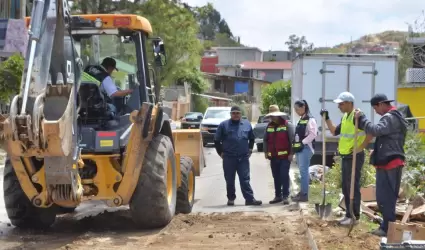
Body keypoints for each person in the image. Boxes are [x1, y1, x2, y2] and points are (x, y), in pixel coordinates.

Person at [354, 94, 408, 237]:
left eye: (375, 108)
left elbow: (376, 130)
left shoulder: (390, 117)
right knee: (383, 197)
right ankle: (386, 226)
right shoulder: (392, 118)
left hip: (391, 162)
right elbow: (387, 138)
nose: (376, 112)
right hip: (387, 162)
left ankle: (388, 230)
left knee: (387, 197)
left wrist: (363, 119)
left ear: (381, 104)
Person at [320, 92, 373, 226]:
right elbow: (333, 131)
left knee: (352, 187)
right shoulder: (345, 117)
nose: (339, 106)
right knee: (346, 186)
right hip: (346, 156)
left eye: (341, 104)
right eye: (338, 104)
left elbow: (371, 133)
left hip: (355, 156)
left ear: (350, 103)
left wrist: (361, 147)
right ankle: (349, 214)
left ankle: (354, 216)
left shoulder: (358, 117)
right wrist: (327, 118)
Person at [214, 106, 262, 206]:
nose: (236, 115)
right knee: (230, 180)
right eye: (234, 113)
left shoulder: (247, 124)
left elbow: (252, 138)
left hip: (243, 158)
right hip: (229, 158)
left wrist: (250, 149)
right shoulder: (224, 125)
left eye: (237, 113)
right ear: (231, 114)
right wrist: (220, 153)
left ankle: (249, 199)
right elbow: (216, 140)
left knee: (245, 179)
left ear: (241, 114)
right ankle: (231, 198)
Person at [263, 108, 294, 205]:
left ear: (278, 115)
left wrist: (291, 153)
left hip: (285, 157)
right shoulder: (269, 125)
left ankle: (285, 196)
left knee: (284, 176)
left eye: (273, 115)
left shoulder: (287, 125)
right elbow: (265, 140)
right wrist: (265, 152)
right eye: (271, 116)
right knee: (276, 177)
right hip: (273, 157)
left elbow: (292, 140)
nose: (272, 117)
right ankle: (278, 196)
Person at [291, 100, 318, 202]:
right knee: (302, 172)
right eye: (295, 109)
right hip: (300, 149)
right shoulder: (301, 119)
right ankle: (302, 192)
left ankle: (305, 194)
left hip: (306, 148)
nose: (296, 111)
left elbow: (313, 134)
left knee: (304, 172)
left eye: (297, 109)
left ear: (303, 108)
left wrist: (303, 142)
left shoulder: (310, 120)